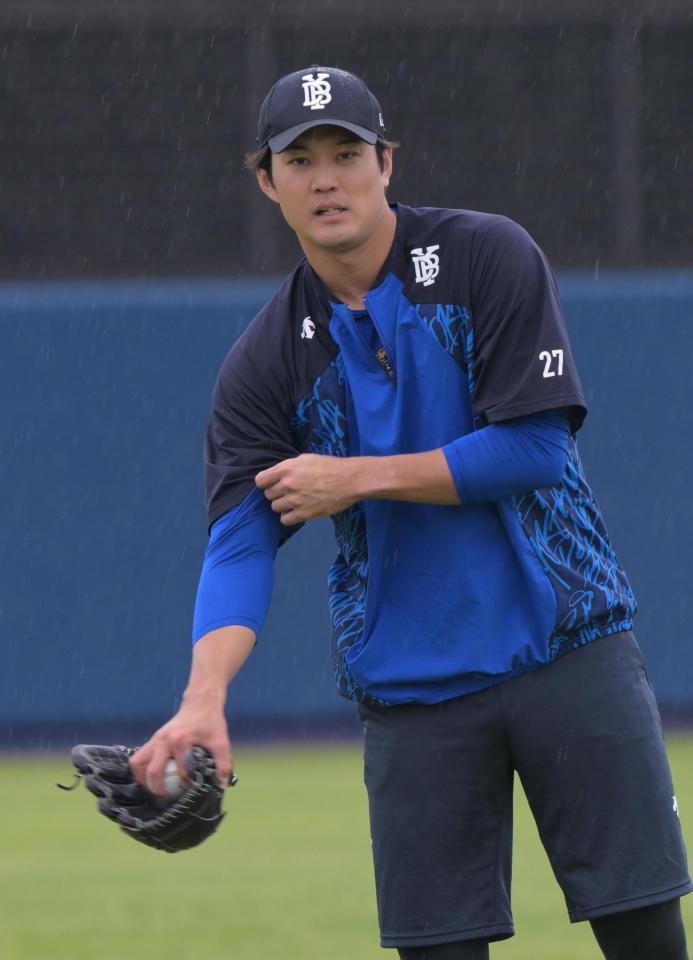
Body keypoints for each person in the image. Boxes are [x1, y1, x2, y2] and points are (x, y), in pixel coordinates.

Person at [131, 66, 691, 959]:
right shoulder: (266, 360)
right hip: (413, 691)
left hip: (569, 650)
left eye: (346, 153)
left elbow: (531, 449)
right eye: (299, 159)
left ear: (385, 163)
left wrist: (352, 478)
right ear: (266, 182)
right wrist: (203, 699)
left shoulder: (485, 256)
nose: (326, 178)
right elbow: (241, 538)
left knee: (645, 937)